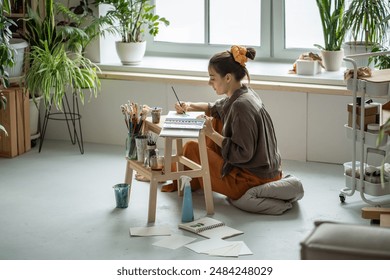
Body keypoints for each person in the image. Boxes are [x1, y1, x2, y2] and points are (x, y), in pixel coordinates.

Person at [165, 45, 282, 200]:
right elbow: (216, 108)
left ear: (227, 78)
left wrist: (211, 133)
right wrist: (189, 105)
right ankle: (173, 171)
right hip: (268, 173)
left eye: (212, 78)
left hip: (252, 181)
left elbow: (243, 154)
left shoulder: (240, 106)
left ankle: (170, 173)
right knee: (217, 118)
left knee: (192, 149)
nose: (209, 83)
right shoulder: (244, 93)